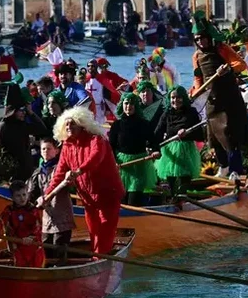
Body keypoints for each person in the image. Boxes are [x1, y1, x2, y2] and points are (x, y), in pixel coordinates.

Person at [40, 107, 124, 254]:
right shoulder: (67, 146)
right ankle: (96, 255)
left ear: (82, 124)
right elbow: (59, 174)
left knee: (105, 229)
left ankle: (100, 258)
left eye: (72, 124)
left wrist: (79, 170)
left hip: (107, 194)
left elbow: (95, 158)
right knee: (93, 230)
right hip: (87, 197)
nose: (68, 127)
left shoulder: (96, 140)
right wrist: (47, 195)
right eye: (66, 125)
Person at [191, 11, 248, 178]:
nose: (200, 41)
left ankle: (236, 170)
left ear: (209, 37)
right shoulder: (196, 56)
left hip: (229, 98)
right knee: (214, 136)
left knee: (229, 135)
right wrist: (197, 91)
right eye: (197, 39)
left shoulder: (222, 48)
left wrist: (228, 68)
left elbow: (241, 64)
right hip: (212, 100)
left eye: (202, 38)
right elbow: (198, 77)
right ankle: (223, 167)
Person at [28, 137, 75, 261]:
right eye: (43, 149)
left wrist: (69, 178)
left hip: (62, 217)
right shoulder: (38, 172)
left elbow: (71, 185)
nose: (45, 151)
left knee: (59, 248)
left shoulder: (61, 169)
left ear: (56, 151)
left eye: (49, 149)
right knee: (45, 249)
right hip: (47, 219)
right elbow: (32, 195)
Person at [109, 93, 159, 206]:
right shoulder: (116, 125)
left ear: (136, 106)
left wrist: (156, 150)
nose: (129, 106)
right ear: (122, 105)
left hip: (139, 166)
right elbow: (110, 146)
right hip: (122, 166)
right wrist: (113, 162)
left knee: (133, 201)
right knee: (122, 201)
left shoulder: (144, 124)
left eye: (132, 103)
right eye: (126, 103)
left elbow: (154, 141)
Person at [154, 86, 204, 195]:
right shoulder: (167, 113)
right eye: (172, 98)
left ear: (184, 98)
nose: (175, 100)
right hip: (170, 152)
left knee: (183, 182)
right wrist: (152, 147)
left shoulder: (191, 112)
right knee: (171, 180)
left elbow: (200, 135)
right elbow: (157, 133)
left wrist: (187, 133)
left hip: (186, 152)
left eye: (178, 97)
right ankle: (172, 199)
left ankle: (183, 198)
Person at [0, 84, 49, 180]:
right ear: (13, 111)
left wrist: (31, 113)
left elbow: (42, 129)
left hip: (25, 174)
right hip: (12, 175)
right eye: (21, 110)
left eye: (24, 110)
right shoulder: (3, 128)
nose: (24, 113)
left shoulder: (21, 125)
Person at [0, 181, 45, 267]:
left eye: (24, 195)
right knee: (19, 267)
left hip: (33, 247)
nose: (22, 198)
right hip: (16, 247)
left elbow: (38, 227)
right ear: (12, 197)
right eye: (18, 196)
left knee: (36, 269)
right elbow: (0, 220)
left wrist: (30, 237)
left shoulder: (33, 210)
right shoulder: (9, 210)